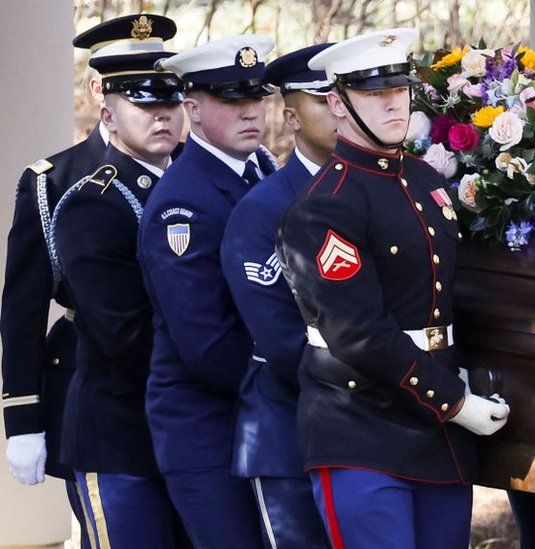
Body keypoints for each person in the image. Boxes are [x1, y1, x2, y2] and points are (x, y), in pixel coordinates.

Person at [276, 28, 510, 549]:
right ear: (337, 104)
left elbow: (448, 298)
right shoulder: (324, 206)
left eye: (399, 90)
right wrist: (453, 401)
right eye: (373, 93)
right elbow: (357, 333)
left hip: (438, 433)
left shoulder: (425, 181)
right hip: (360, 427)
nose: (393, 105)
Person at [1, 14, 147, 547]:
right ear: (98, 90)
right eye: (133, 84)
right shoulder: (54, 180)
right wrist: (22, 418)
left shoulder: (189, 173)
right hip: (90, 377)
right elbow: (22, 306)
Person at [50, 15, 187, 546]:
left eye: (171, 102)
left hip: (192, 433)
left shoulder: (205, 187)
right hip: (122, 436)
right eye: (143, 103)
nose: (161, 116)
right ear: (106, 110)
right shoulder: (92, 200)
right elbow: (125, 334)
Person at [137, 34, 278, 548]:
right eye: (231, 100)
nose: (251, 112)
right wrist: (300, 380)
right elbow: (207, 344)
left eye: (257, 97)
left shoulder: (261, 168)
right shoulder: (183, 203)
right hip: (207, 429)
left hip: (256, 416)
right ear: (192, 110)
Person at [220, 43, 336, 548]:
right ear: (290, 116)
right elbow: (284, 339)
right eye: (323, 99)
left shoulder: (389, 190)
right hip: (292, 436)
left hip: (373, 438)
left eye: (346, 95)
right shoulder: (263, 208)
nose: (341, 110)